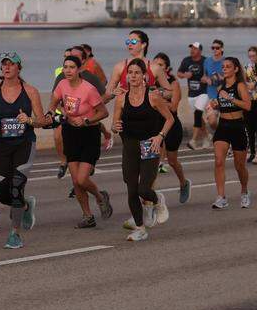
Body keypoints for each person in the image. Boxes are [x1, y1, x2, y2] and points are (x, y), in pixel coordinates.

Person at [0, 52, 48, 250]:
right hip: (0, 145)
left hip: (23, 144)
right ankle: (26, 205)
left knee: (17, 186)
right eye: (4, 65)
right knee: (1, 192)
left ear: (19, 68)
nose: (7, 68)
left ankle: (14, 234)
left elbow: (42, 120)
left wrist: (29, 120)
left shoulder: (31, 91)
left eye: (11, 64)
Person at [112, 59, 175, 241]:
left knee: (143, 189)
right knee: (132, 190)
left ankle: (158, 200)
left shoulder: (153, 96)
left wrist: (160, 136)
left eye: (136, 72)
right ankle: (140, 228)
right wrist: (115, 127)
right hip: (130, 145)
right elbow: (114, 126)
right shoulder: (121, 98)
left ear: (144, 76)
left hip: (150, 144)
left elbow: (169, 119)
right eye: (129, 73)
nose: (132, 76)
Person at [50, 55, 112, 228]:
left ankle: (100, 197)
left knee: (83, 179)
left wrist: (86, 121)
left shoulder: (88, 89)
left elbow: (103, 112)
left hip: (89, 134)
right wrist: (55, 113)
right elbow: (53, 102)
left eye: (71, 67)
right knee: (75, 181)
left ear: (78, 70)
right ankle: (88, 216)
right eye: (65, 67)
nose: (68, 70)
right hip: (70, 134)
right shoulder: (62, 84)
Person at [207, 56, 252, 209]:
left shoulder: (240, 86)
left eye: (228, 66)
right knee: (219, 161)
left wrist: (230, 99)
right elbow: (222, 105)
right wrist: (215, 105)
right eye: (223, 66)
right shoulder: (220, 88)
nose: (224, 68)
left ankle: (245, 191)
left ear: (236, 69)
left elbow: (247, 106)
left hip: (238, 127)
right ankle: (221, 197)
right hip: (223, 126)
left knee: (239, 165)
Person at [151, 53, 191, 202]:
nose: (157, 67)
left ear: (167, 68)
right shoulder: (150, 82)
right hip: (155, 125)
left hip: (172, 124)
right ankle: (151, 196)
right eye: (155, 64)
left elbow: (173, 107)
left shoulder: (173, 83)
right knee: (153, 162)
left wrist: (156, 101)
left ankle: (183, 183)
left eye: (160, 64)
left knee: (172, 161)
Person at [177, 42, 208, 149]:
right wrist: (185, 75)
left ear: (200, 50)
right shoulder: (186, 60)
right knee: (198, 116)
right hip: (191, 94)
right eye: (191, 48)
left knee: (198, 113)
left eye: (194, 49)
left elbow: (212, 75)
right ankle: (207, 136)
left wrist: (206, 78)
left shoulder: (205, 61)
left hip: (203, 92)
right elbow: (179, 73)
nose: (192, 51)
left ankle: (193, 141)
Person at [246, 48, 257, 162]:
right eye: (250, 56)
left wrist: (255, 84)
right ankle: (251, 152)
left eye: (253, 56)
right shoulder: (247, 68)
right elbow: (244, 82)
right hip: (250, 101)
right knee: (249, 128)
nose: (252, 58)